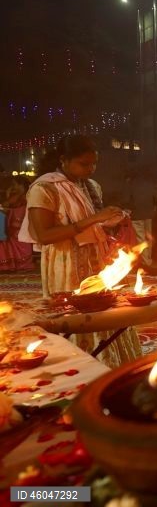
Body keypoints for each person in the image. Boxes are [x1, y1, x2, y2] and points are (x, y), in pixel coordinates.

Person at [18, 135, 141, 368]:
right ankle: (80, 366)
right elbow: (44, 235)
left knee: (104, 310)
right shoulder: (44, 188)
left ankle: (110, 364)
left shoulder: (91, 186)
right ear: (64, 160)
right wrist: (95, 218)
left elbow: (93, 226)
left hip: (96, 260)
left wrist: (110, 227)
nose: (91, 169)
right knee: (75, 314)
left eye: (94, 163)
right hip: (65, 262)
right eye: (84, 164)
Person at [0, 178, 34, 272]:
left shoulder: (24, 195)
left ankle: (23, 264)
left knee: (19, 241)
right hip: (18, 222)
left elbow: (6, 204)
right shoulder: (23, 195)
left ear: (22, 185)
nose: (14, 187)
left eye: (15, 185)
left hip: (20, 222)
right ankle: (18, 264)